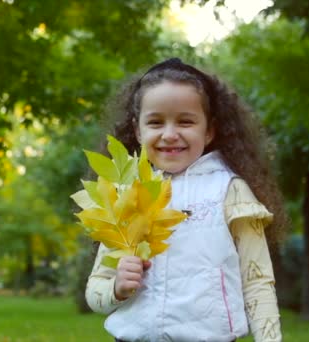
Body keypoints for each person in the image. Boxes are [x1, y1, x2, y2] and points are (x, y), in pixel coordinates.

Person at [86, 58, 286, 342]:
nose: (170, 134)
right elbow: (96, 291)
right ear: (138, 130)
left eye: (186, 121)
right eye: (155, 122)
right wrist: (116, 288)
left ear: (209, 130)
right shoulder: (126, 195)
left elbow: (257, 283)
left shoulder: (231, 190)